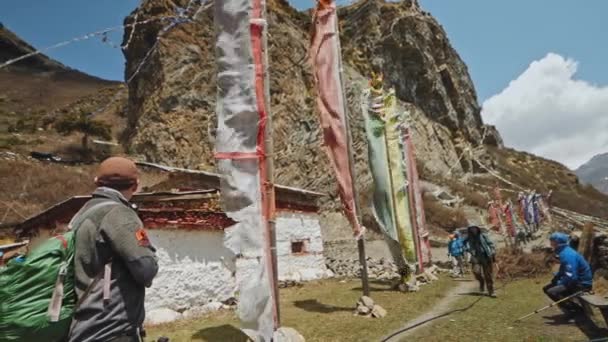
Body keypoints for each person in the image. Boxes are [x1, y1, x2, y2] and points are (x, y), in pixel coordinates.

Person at [69, 157, 158, 342]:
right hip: (111, 328)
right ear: (135, 186)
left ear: (96, 182)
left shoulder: (82, 213)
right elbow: (146, 269)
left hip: (83, 325)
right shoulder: (120, 215)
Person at [542, 232, 592, 314]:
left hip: (582, 283)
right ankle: (569, 305)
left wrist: (560, 282)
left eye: (552, 240)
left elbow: (572, 276)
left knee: (552, 291)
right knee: (548, 287)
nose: (550, 243)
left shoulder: (567, 254)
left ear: (557, 242)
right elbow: (563, 269)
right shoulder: (564, 251)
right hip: (576, 280)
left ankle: (575, 310)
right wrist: (557, 277)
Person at [463, 225, 497, 298]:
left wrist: (493, 251)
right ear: (470, 230)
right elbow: (462, 243)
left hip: (486, 256)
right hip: (476, 257)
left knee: (488, 275)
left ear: (477, 229)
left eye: (474, 228)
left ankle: (491, 291)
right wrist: (467, 249)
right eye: (471, 229)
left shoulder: (483, 235)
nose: (473, 230)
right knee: (476, 272)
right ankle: (481, 281)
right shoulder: (469, 237)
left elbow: (490, 244)